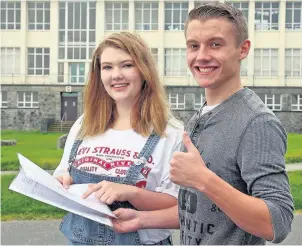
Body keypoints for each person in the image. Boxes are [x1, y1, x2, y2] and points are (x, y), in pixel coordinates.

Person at [110, 3, 294, 245]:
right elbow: (203, 211)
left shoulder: (256, 122)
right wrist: (143, 219)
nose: (202, 56)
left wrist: (203, 179)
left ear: (243, 49)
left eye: (215, 44)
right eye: (193, 46)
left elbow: (277, 222)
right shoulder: (201, 117)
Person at [53, 32, 183, 245]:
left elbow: (178, 206)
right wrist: (63, 182)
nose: (116, 75)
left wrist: (130, 193)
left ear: (144, 71)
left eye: (126, 65)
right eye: (107, 67)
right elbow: (63, 174)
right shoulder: (84, 125)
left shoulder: (170, 133)